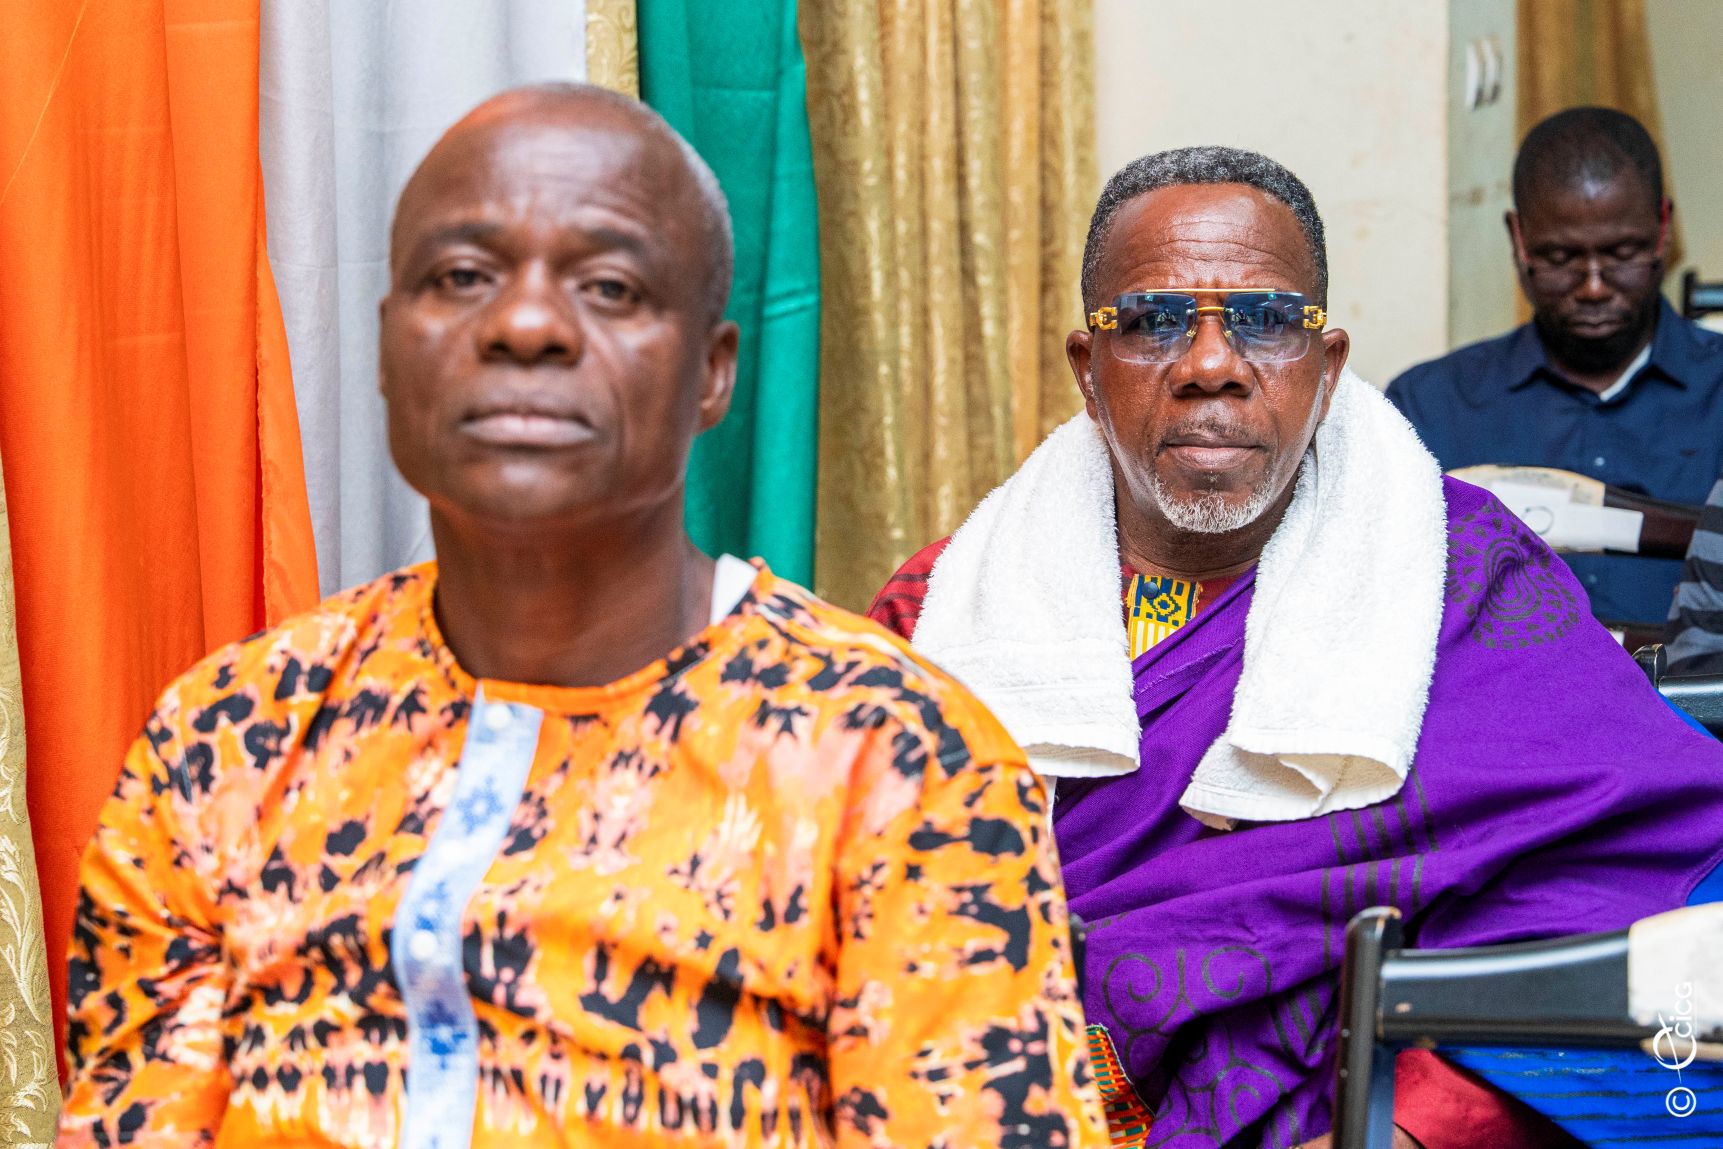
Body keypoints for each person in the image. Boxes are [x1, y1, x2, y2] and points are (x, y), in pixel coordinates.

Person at [58, 84, 1106, 1149]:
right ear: (385, 349)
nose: (525, 325)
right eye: (461, 277)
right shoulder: (233, 731)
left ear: (712, 374)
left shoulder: (897, 758)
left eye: (609, 287)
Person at [872, 146, 1723, 1149]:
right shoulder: (939, 615)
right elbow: (860, 928)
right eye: (1150, 321)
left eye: (1267, 320)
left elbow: (1644, 875)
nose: (1210, 365)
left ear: (1325, 371)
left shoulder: (1465, 575)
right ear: (1087, 371)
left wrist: (1413, 1126)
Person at [1385, 107, 1723, 629]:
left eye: (1623, 253)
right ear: (1518, 238)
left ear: (1662, 228)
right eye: (1561, 258)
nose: (1594, 286)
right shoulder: (1429, 407)